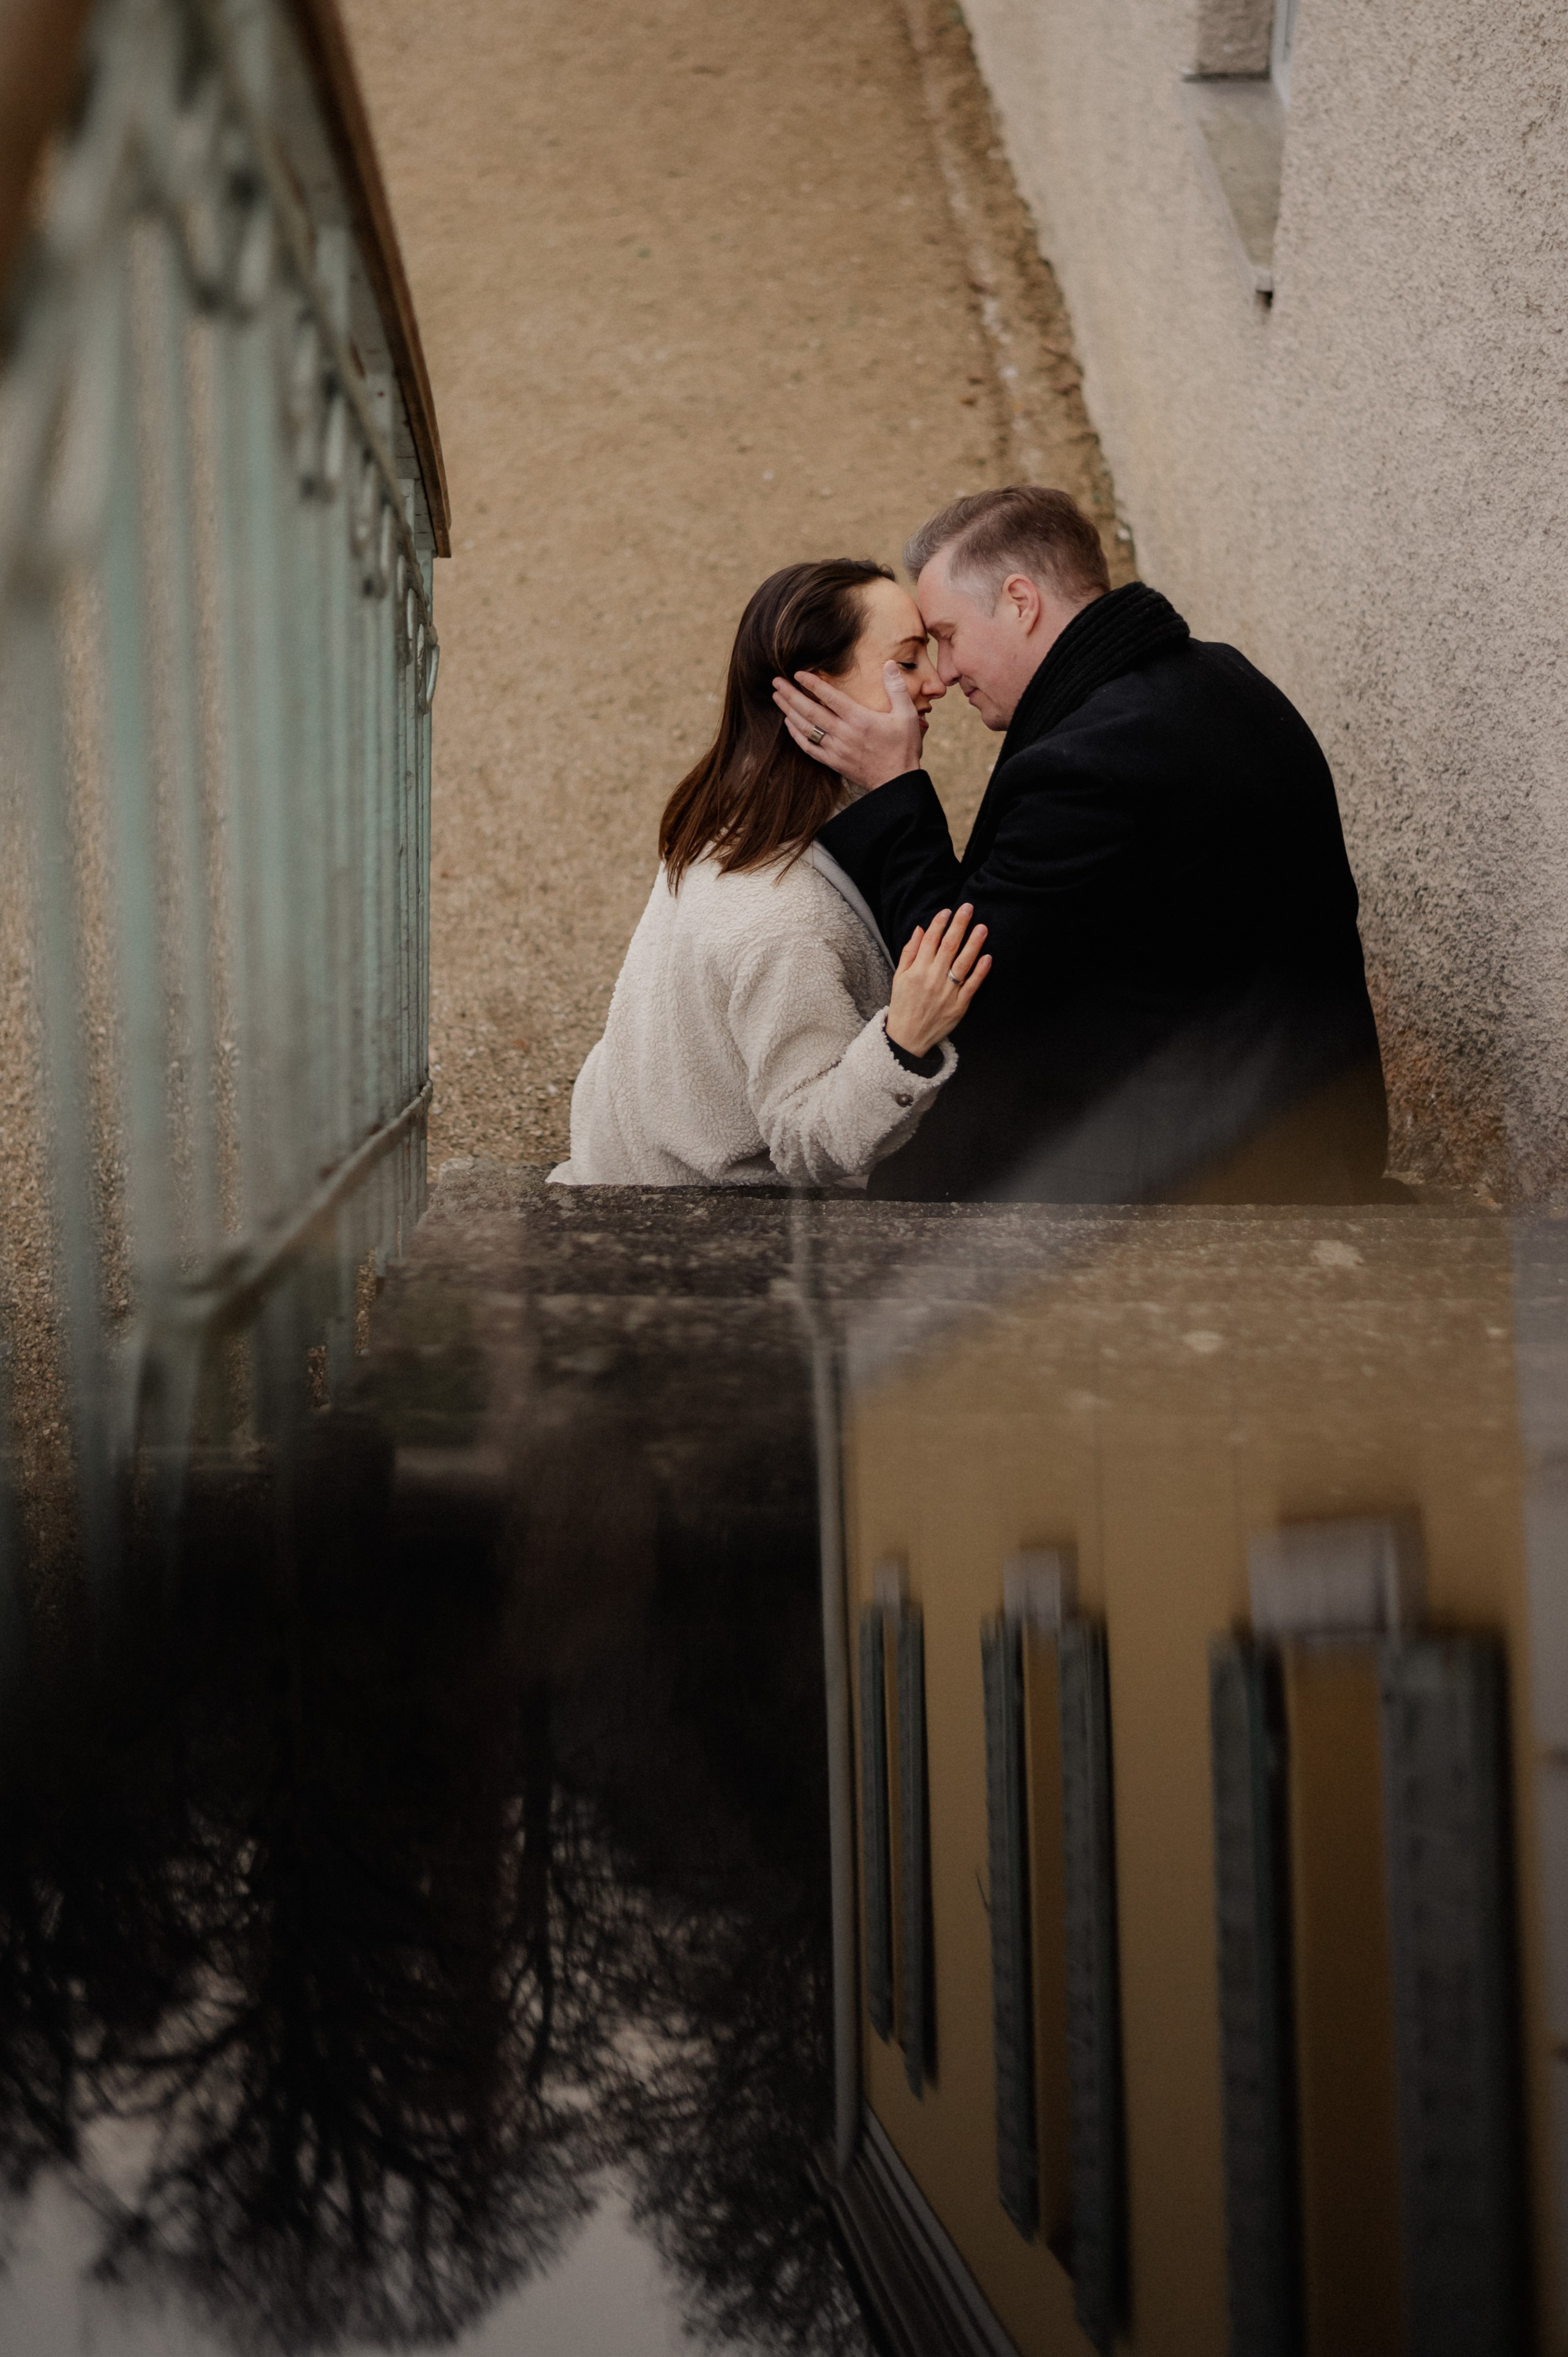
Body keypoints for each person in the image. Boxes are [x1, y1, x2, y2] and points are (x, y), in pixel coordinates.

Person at [773, 485, 1393, 1203]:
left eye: (945, 636)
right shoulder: (1218, 677)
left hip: (1226, 1175)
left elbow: (953, 986)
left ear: (1019, 602)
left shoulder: (1092, 761)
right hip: (1300, 1126)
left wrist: (891, 786)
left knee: (919, 1181)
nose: (941, 673)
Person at [549, 559, 990, 1189]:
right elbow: (805, 1142)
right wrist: (903, 1040)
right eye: (910, 659)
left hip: (629, 1169)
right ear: (815, 691)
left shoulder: (733, 813)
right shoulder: (783, 915)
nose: (938, 681)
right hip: (694, 1234)